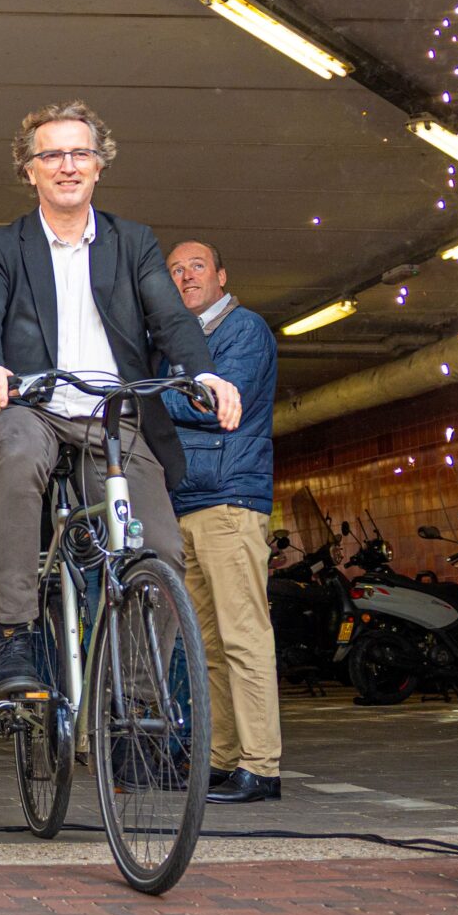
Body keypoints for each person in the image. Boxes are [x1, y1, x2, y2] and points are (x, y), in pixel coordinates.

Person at [0, 102, 243, 700]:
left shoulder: (132, 242)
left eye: (80, 153)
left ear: (99, 165)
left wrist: (205, 374)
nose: (67, 165)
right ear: (29, 170)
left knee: (160, 547)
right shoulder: (1, 246)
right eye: (52, 155)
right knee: (12, 451)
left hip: (113, 414)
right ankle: (15, 635)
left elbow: (170, 318)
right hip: (33, 406)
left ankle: (135, 698)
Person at [167, 239, 284, 804]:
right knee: (209, 646)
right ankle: (221, 758)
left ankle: (261, 767)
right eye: (175, 270)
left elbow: (214, 403)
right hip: (189, 502)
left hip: (230, 500)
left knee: (244, 638)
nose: (186, 276)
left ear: (221, 275)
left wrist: (152, 395)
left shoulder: (244, 330)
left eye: (196, 266)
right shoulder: (182, 341)